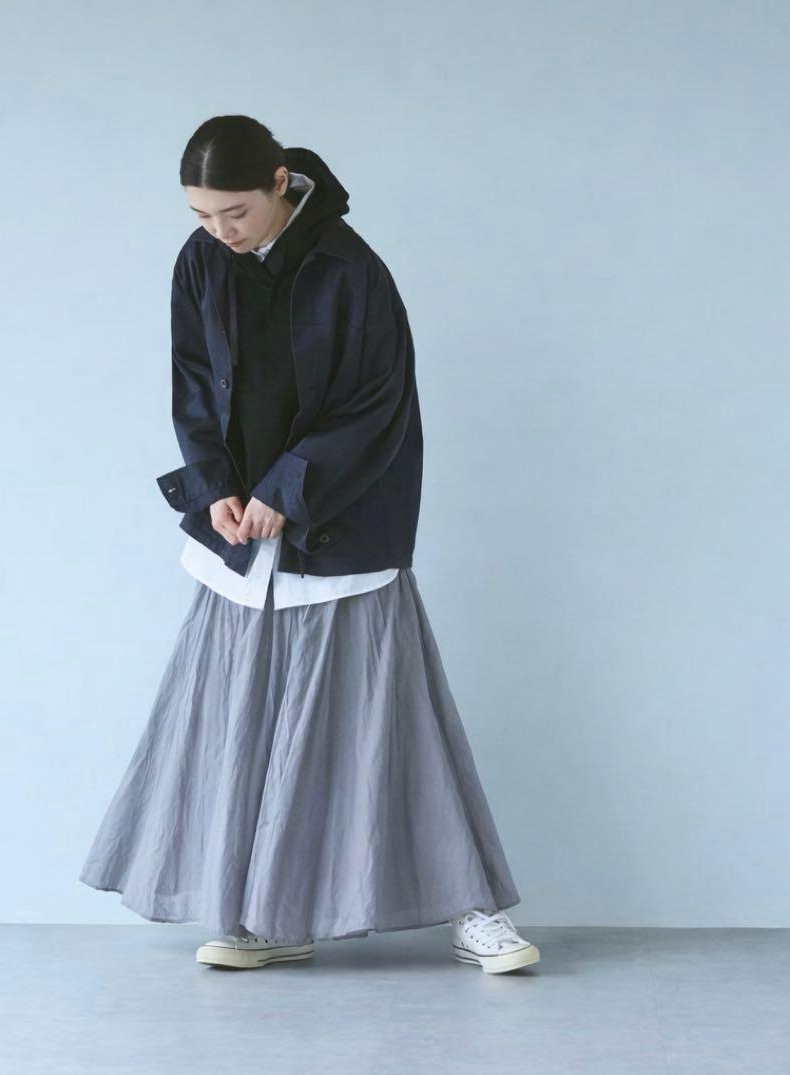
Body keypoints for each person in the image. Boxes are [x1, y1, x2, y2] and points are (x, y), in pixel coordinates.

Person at [78, 115, 538, 976]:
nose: (220, 230)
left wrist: (286, 493)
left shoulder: (353, 271)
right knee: (239, 727)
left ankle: (473, 911)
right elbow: (191, 382)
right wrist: (214, 485)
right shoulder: (201, 261)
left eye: (235, 212)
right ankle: (270, 919)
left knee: (390, 722)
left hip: (340, 525)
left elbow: (377, 406)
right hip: (242, 537)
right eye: (202, 214)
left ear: (281, 183)